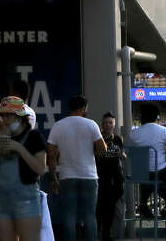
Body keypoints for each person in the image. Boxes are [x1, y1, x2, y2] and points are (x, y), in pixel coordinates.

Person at [0, 96, 47, 241]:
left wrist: (20, 149)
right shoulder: (3, 136)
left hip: (26, 200)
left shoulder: (34, 136)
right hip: (1, 200)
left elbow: (41, 169)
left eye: (8, 115)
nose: (4, 119)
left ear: (19, 116)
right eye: (2, 115)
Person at [48, 95, 106, 241]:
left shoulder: (58, 126)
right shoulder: (91, 124)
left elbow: (51, 155)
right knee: (89, 215)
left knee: (69, 215)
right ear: (83, 108)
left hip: (67, 176)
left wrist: (53, 177)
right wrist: (93, 153)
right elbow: (103, 149)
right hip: (89, 175)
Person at [127, 104, 166, 218]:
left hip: (141, 175)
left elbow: (129, 152)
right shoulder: (163, 130)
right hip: (160, 173)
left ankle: (143, 204)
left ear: (142, 117)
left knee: (147, 177)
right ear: (156, 117)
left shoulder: (134, 133)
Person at [95, 113, 125, 241]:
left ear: (114, 124)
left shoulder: (117, 139)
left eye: (110, 123)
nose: (108, 125)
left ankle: (107, 234)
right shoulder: (97, 138)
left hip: (115, 179)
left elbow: (121, 154)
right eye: (106, 122)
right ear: (102, 124)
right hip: (101, 177)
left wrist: (122, 155)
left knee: (111, 210)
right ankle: (98, 234)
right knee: (100, 208)